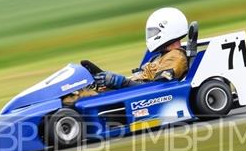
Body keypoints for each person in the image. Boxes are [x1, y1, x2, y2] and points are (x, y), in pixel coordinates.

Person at [62, 7, 190, 106]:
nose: (151, 35)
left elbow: (159, 89)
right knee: (75, 92)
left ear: (168, 30)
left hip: (141, 98)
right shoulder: (161, 56)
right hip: (131, 92)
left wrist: (121, 82)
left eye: (154, 32)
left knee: (76, 100)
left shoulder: (176, 57)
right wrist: (109, 79)